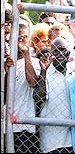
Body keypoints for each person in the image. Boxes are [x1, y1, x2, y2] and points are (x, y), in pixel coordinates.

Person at [4, 23, 41, 153]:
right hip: (7, 126)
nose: (20, 40)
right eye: (17, 37)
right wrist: (6, 72)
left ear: (29, 39)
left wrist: (26, 54)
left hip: (24, 125)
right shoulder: (7, 63)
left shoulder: (34, 61)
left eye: (24, 37)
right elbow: (5, 95)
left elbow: (32, 82)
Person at [33, 37, 73, 153]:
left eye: (63, 50)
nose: (60, 53)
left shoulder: (73, 71)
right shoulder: (45, 73)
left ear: (68, 53)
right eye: (56, 51)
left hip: (71, 138)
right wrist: (44, 72)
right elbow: (38, 98)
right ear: (50, 53)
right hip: (52, 140)